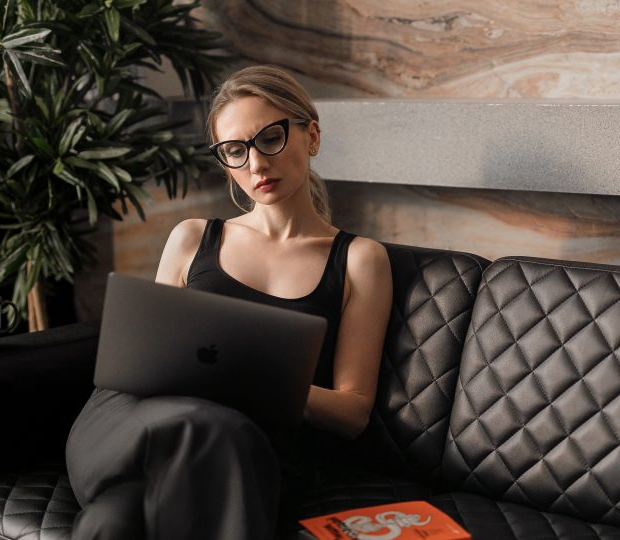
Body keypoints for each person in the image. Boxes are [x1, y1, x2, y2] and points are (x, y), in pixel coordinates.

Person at [64, 65, 394, 540]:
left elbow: (353, 412)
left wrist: (249, 382)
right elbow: (144, 361)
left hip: (245, 448)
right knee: (196, 426)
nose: (256, 164)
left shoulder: (360, 259)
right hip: (133, 422)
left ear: (312, 136)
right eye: (235, 151)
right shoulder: (191, 238)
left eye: (270, 138)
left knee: (111, 522)